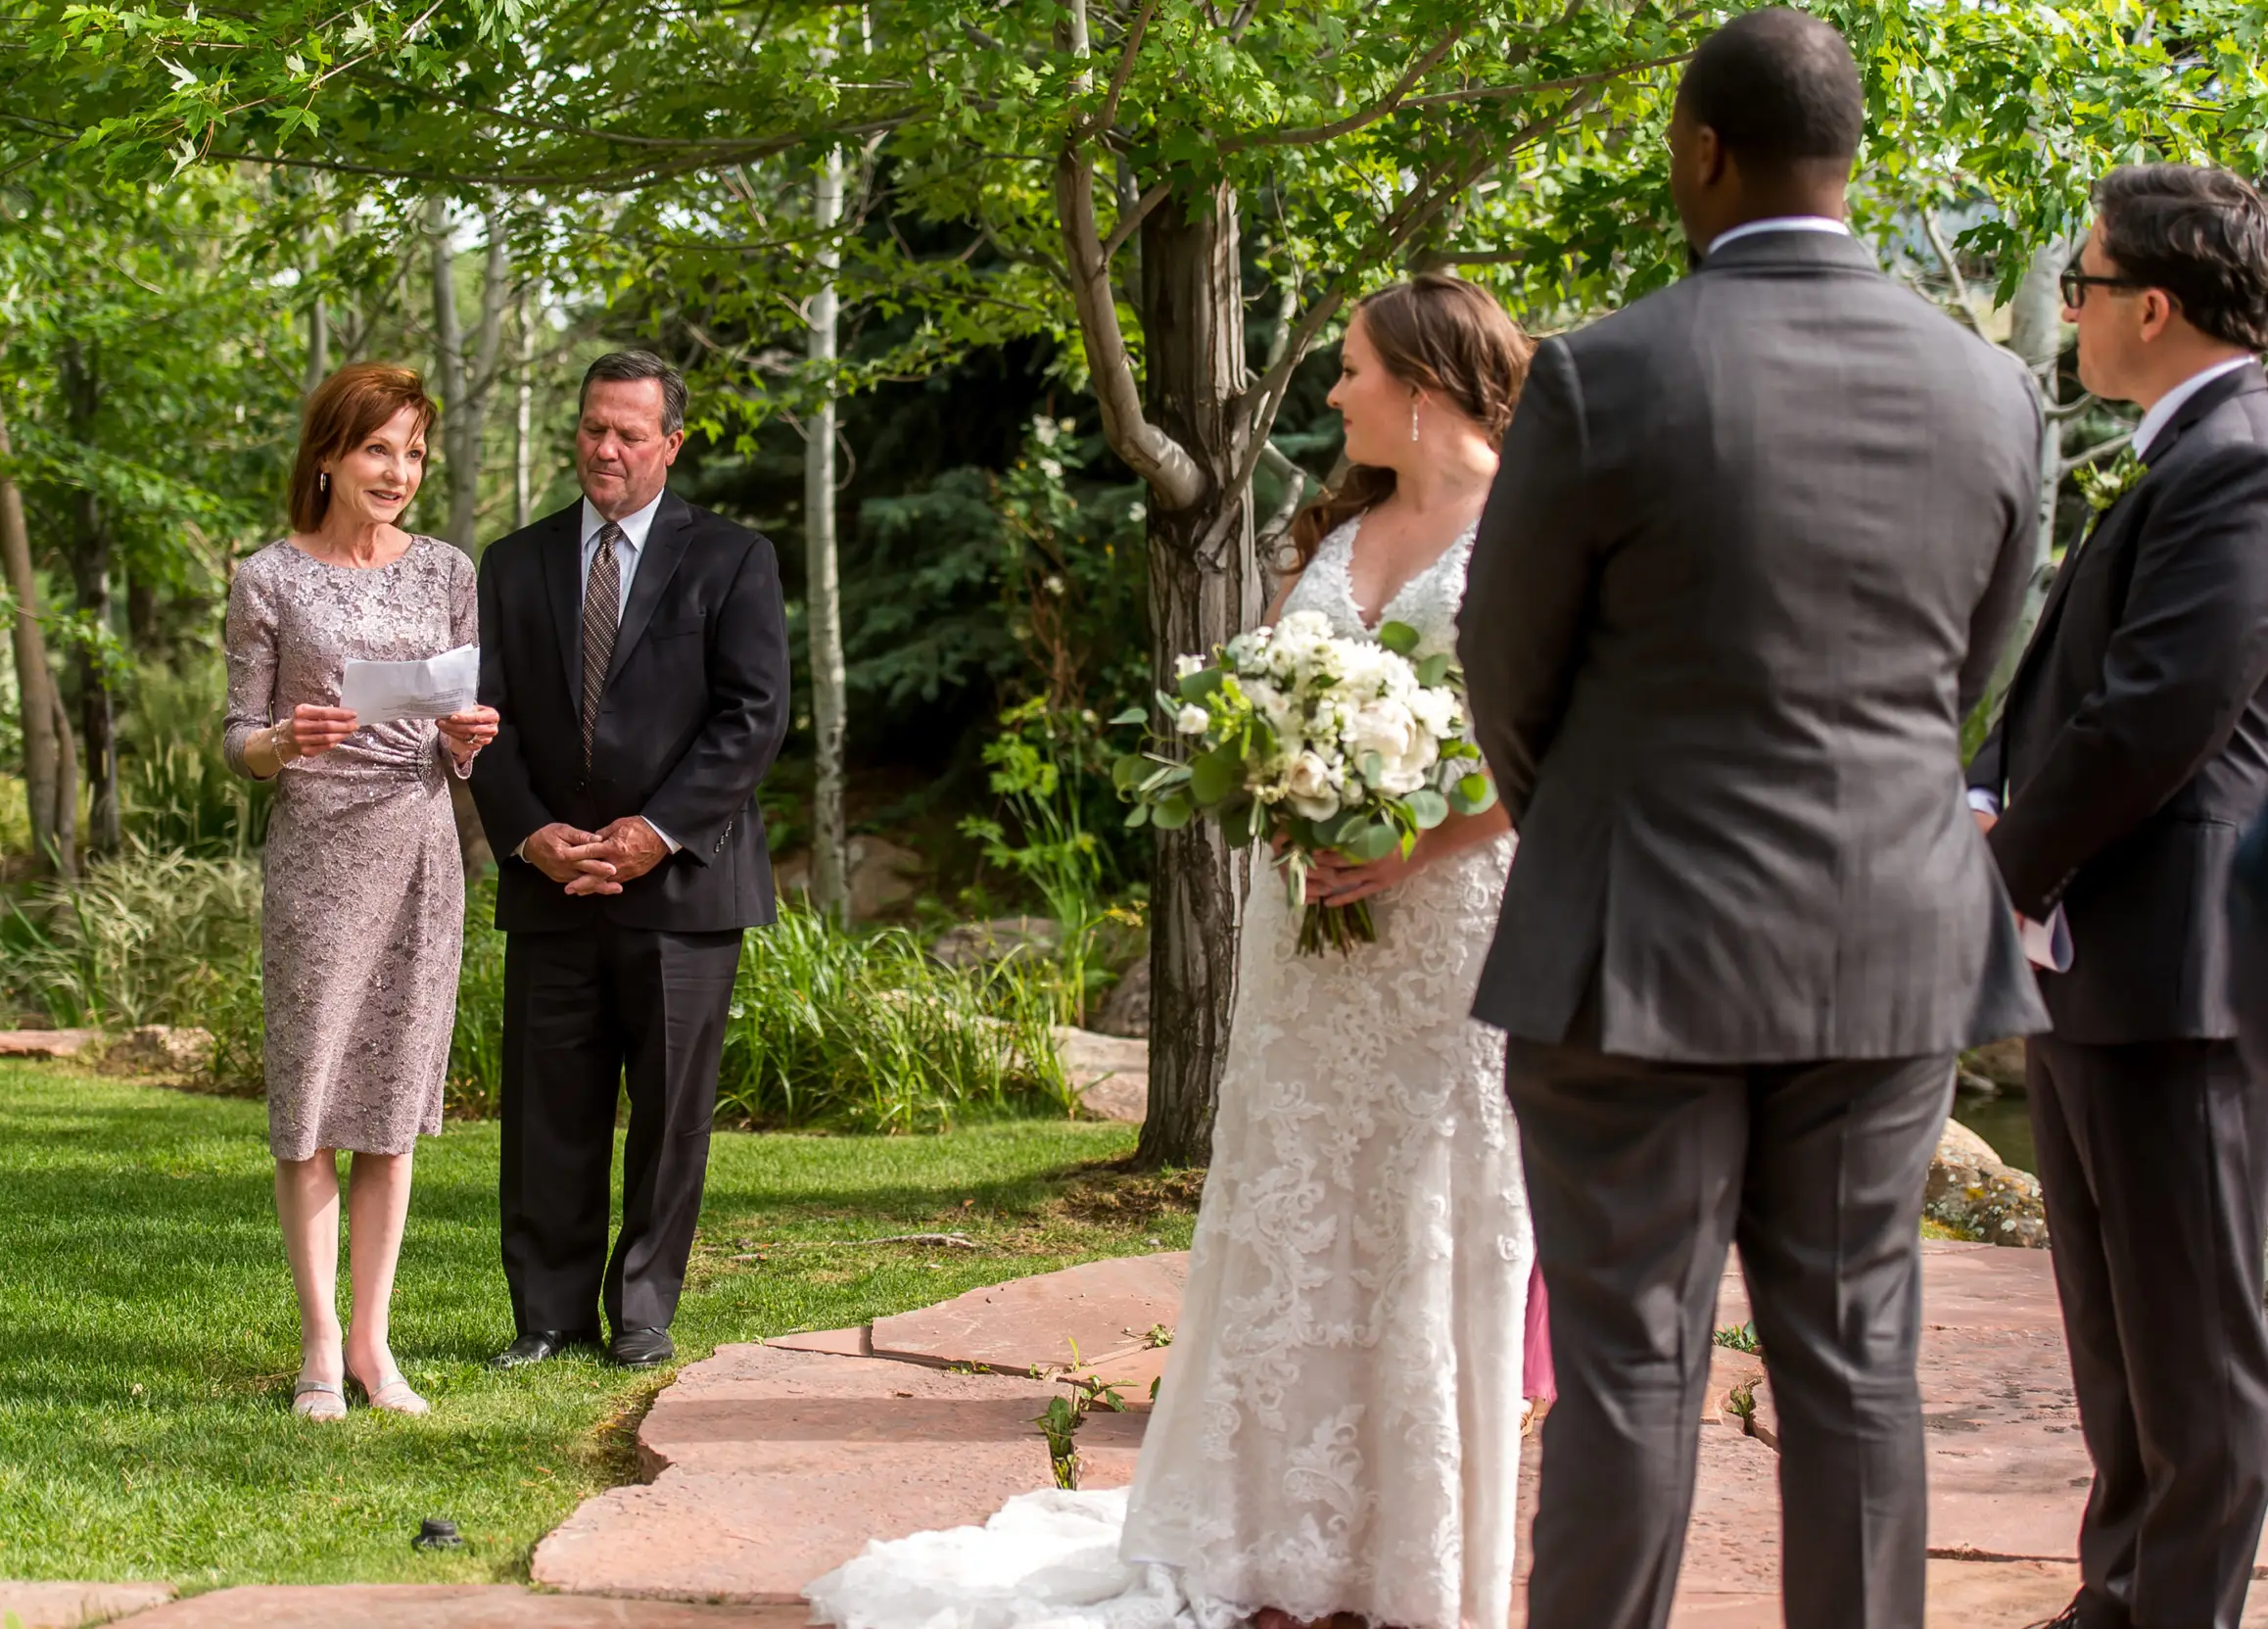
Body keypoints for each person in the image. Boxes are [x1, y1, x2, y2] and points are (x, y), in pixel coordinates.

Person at [808, 271, 1536, 1629]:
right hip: (1305, 924)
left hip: (1444, 928)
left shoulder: (1527, 530)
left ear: (1425, 387)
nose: (1331, 392)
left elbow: (1552, 739)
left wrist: (1408, 849)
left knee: (1423, 1214)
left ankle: (1412, 1551)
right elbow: (1266, 698)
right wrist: (1275, 779)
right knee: (1291, 1201)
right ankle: (1260, 1529)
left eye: (1354, 370)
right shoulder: (1340, 525)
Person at [1456, 12, 2048, 1626]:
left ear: (1702, 150)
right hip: (1891, 936)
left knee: (1631, 1359)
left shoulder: (1604, 373)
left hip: (1636, 935)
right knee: (1859, 1360)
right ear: (1849, 161)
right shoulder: (1993, 389)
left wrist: (1581, 817)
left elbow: (1505, 668)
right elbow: (1969, 673)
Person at [1966, 166, 2268, 1629]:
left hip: (2186, 973)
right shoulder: (2178, 450)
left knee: (2199, 1349)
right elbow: (2073, 693)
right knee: (2117, 1335)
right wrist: (1982, 790)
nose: (2072, 307)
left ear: (2153, 303)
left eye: (2081, 283)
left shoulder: (2245, 456)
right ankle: (2119, 1592)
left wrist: (1997, 865)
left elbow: (2164, 712)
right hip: (2097, 962)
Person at [469, 351, 788, 1372]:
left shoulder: (733, 559)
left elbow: (754, 719)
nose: (604, 448)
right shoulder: (512, 564)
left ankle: (643, 1310)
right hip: (552, 883)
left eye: (628, 433)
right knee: (546, 1113)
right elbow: (486, 723)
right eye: (592, 426)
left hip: (684, 890)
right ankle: (549, 1315)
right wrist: (529, 836)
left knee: (668, 1117)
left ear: (671, 445)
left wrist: (653, 833)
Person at [222, 362, 499, 1422]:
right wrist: (283, 739)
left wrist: (468, 735)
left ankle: (377, 1350)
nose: (398, 471)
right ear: (330, 455)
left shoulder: (446, 572)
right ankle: (316, 1349)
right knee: (311, 1107)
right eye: (379, 448)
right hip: (318, 856)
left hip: (421, 848)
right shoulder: (268, 578)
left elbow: (460, 722)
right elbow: (237, 738)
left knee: (388, 1108)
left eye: (414, 452)